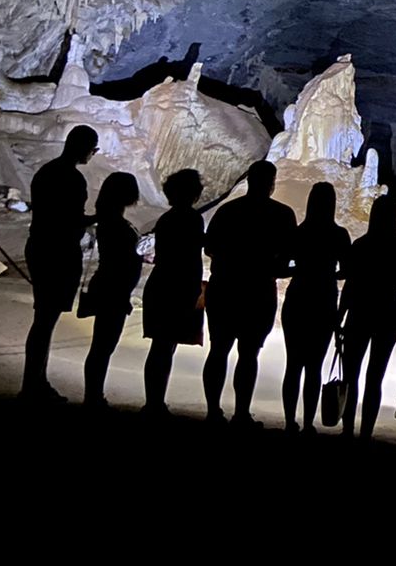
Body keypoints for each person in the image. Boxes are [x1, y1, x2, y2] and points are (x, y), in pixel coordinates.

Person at [202, 159, 298, 428]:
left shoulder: (228, 211)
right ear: (271, 184)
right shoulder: (282, 215)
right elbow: (289, 255)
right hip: (258, 290)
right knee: (248, 353)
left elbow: (209, 248)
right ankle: (241, 412)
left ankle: (213, 411)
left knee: (218, 350)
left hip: (225, 287)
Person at [21, 125, 99, 401]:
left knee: (43, 317)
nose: (93, 154)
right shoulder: (72, 178)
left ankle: (35, 380)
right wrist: (95, 218)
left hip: (40, 245)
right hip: (58, 251)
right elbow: (69, 219)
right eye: (93, 150)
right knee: (45, 319)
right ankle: (33, 384)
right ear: (85, 148)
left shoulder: (46, 171)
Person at [339, 194, 396, 440]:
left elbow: (349, 283)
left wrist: (340, 315)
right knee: (375, 376)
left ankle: (348, 428)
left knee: (350, 374)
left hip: (359, 310)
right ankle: (366, 431)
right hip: (389, 312)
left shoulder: (360, 245)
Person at [280, 181, 351, 434]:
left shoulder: (299, 232)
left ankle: (290, 421)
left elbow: (280, 267)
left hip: (298, 297)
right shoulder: (339, 235)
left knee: (293, 364)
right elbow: (347, 271)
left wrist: (300, 269)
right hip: (324, 301)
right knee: (314, 367)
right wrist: (328, 273)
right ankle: (309, 422)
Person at [142, 169, 206, 416]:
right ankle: (155, 403)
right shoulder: (191, 219)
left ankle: (154, 401)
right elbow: (190, 257)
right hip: (177, 285)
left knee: (161, 345)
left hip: (161, 282)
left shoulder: (167, 219)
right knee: (165, 347)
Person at [81, 172, 142, 409]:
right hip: (113, 288)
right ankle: (93, 396)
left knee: (102, 345)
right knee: (103, 346)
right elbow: (122, 258)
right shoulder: (115, 223)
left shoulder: (108, 219)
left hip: (111, 285)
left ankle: (94, 394)